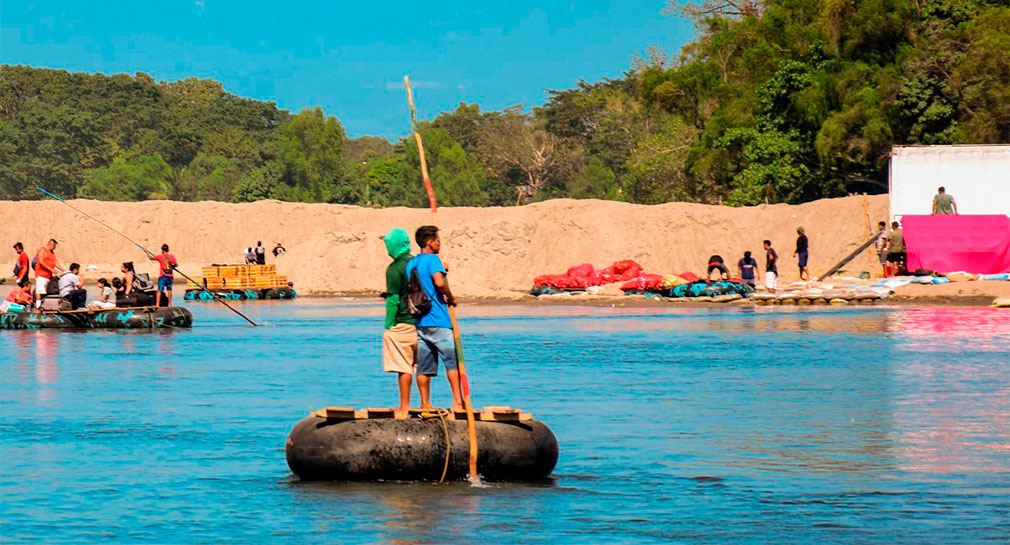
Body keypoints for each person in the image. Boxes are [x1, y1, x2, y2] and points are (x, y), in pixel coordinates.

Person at [405, 226, 463, 411]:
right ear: (430, 242)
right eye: (438, 240)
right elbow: (438, 282)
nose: (440, 243)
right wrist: (451, 297)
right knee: (452, 362)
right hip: (438, 319)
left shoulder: (411, 264)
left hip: (421, 322)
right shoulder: (432, 260)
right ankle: (458, 403)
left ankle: (424, 403)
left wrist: (442, 270)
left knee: (424, 366)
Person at [381, 228, 418, 418]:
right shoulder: (418, 263)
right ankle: (425, 403)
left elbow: (393, 299)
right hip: (423, 322)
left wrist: (389, 324)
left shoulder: (395, 269)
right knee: (422, 367)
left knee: (404, 367)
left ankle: (404, 406)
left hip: (404, 323)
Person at [34, 239, 63, 309]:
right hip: (41, 275)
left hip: (48, 276)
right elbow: (41, 262)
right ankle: (38, 307)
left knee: (47, 291)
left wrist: (63, 270)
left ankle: (46, 306)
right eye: (54, 246)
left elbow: (56, 263)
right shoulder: (42, 250)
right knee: (40, 291)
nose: (54, 248)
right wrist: (51, 269)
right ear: (51, 244)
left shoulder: (52, 253)